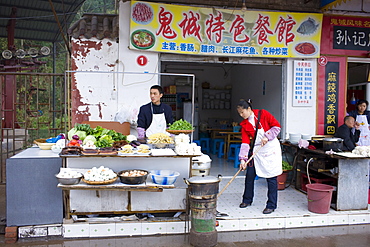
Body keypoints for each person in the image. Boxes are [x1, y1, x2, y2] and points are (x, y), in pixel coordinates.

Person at [237, 99, 282, 214]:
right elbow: (245, 143)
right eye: (240, 113)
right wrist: (243, 159)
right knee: (249, 175)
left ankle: (271, 205)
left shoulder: (263, 114)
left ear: (249, 109)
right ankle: (247, 200)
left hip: (270, 148)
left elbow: (276, 127)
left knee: (271, 178)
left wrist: (267, 136)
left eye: (242, 112)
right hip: (257, 151)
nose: (241, 115)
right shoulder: (244, 125)